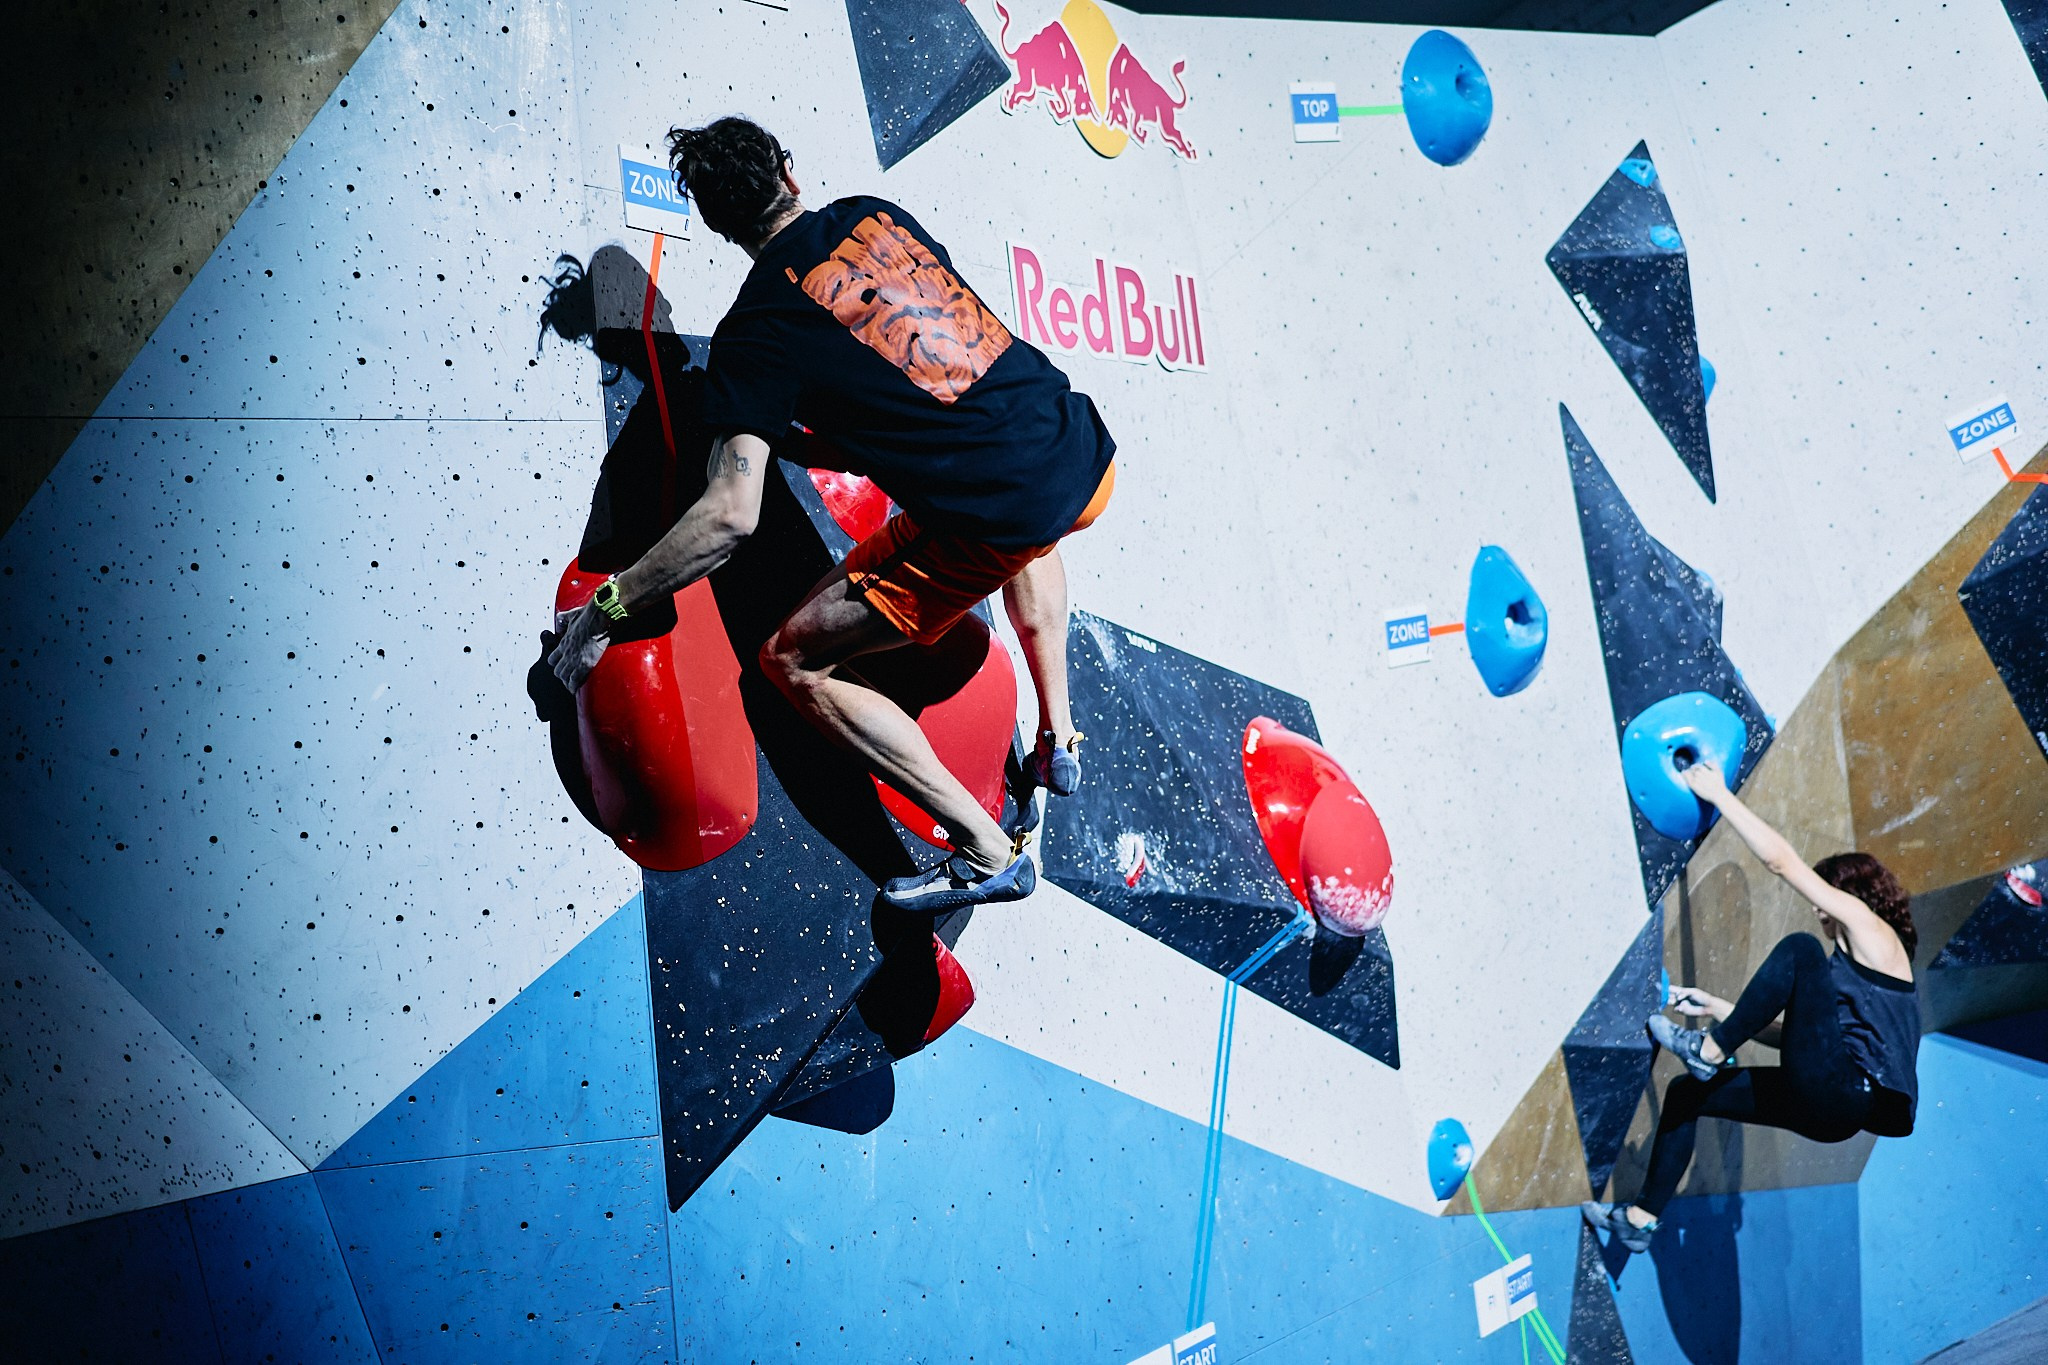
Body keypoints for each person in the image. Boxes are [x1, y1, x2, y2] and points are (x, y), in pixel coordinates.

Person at [548, 116, 1113, 913]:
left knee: (790, 661)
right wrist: (841, 442)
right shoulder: (874, 216)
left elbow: (730, 518)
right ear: (791, 173)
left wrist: (609, 606)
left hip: (994, 513)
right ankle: (1060, 736)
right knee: (1026, 508)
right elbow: (927, 364)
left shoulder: (754, 335)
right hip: (1077, 447)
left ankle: (986, 852)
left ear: (716, 224)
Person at [1582, 759, 1920, 1254]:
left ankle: (1709, 1052)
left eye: (1824, 897)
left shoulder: (1870, 929)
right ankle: (1641, 1218)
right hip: (1832, 1111)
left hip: (1847, 1092)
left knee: (1801, 951)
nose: (1817, 909)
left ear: (1847, 895)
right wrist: (1722, 1008)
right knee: (1686, 1096)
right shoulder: (1863, 967)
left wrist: (1720, 796)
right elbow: (1802, 1040)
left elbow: (1782, 863)